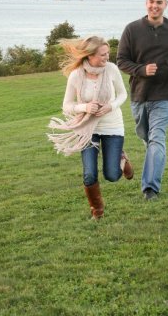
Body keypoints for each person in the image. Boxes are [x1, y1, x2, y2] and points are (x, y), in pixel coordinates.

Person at [117, 0, 168, 201]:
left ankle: (150, 189)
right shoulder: (132, 30)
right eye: (151, 1)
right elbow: (121, 61)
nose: (155, 6)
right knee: (147, 137)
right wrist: (141, 70)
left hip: (166, 94)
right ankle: (153, 160)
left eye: (159, 2)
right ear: (146, 3)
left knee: (157, 137)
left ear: (166, 4)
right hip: (140, 95)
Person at [48, 36, 134, 220]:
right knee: (89, 173)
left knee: (112, 175)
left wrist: (110, 106)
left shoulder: (111, 70)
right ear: (90, 55)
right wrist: (85, 107)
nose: (107, 58)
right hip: (87, 128)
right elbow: (67, 105)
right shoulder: (76, 75)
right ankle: (97, 210)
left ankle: (122, 158)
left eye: (107, 54)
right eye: (103, 54)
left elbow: (122, 94)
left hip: (112, 126)